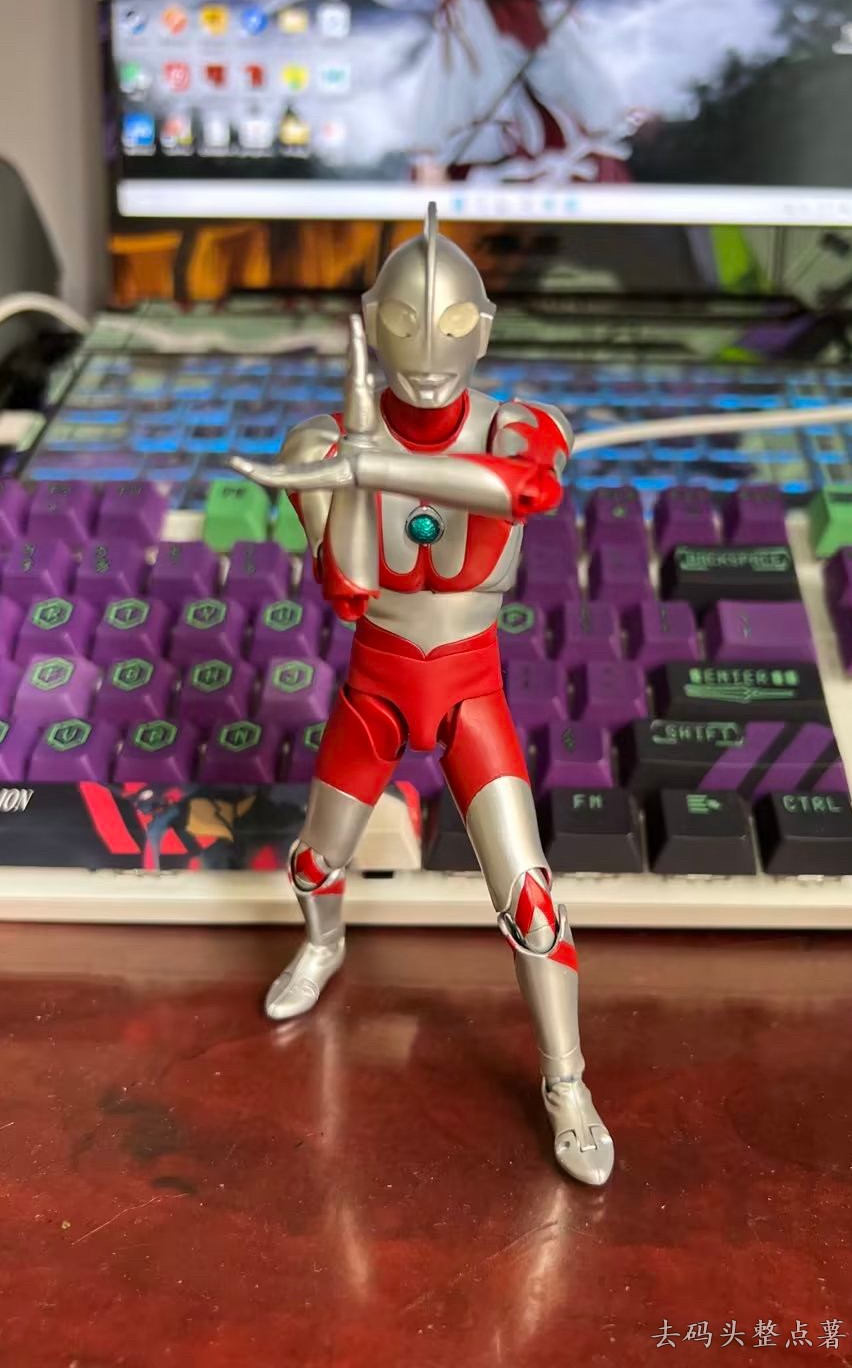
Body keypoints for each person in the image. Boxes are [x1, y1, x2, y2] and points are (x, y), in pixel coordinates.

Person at [230, 207, 614, 1186]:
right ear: (371, 324)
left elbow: (527, 491)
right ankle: (324, 949)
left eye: (451, 329)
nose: (430, 357)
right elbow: (349, 588)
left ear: (483, 329)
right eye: (405, 327)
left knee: (531, 901)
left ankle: (566, 1083)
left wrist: (376, 465)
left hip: (471, 689)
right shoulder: (319, 440)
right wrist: (353, 455)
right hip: (377, 684)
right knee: (315, 862)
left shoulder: (522, 423)